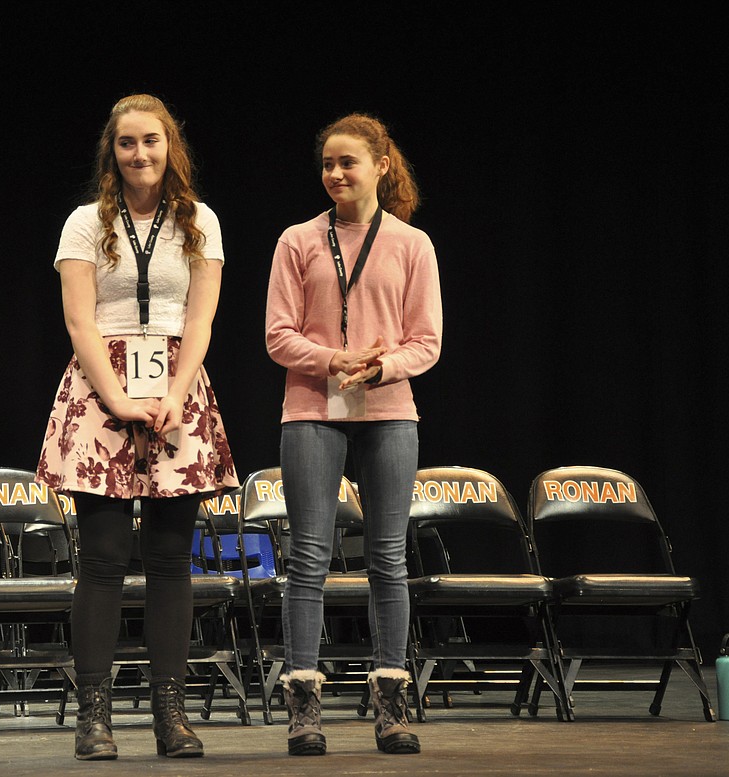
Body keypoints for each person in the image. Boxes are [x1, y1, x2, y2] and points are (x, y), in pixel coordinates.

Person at [36, 93, 238, 761]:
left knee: (171, 562)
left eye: (151, 141)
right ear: (112, 151)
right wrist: (120, 399)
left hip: (178, 389)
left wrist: (178, 394)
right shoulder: (84, 223)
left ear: (169, 145)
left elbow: (201, 320)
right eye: (127, 143)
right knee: (100, 560)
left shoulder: (199, 221)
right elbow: (79, 322)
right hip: (102, 391)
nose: (140, 153)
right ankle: (93, 716)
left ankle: (170, 715)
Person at [265, 113, 442, 756]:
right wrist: (333, 360)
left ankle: (392, 708)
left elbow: (427, 341)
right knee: (309, 557)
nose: (336, 174)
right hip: (312, 410)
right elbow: (278, 335)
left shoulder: (411, 244)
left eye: (349, 163)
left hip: (389, 410)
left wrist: (381, 365)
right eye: (328, 165)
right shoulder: (297, 240)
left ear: (381, 166)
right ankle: (304, 710)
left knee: (387, 559)